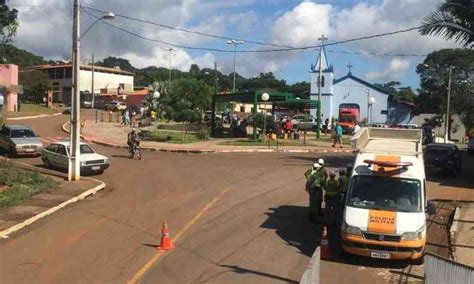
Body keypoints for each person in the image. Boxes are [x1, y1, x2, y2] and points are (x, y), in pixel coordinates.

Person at [304, 158, 327, 223]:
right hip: (316, 188)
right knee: (314, 202)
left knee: (317, 201)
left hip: (314, 188)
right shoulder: (317, 171)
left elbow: (306, 173)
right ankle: (313, 216)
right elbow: (324, 177)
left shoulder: (314, 169)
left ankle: (317, 213)